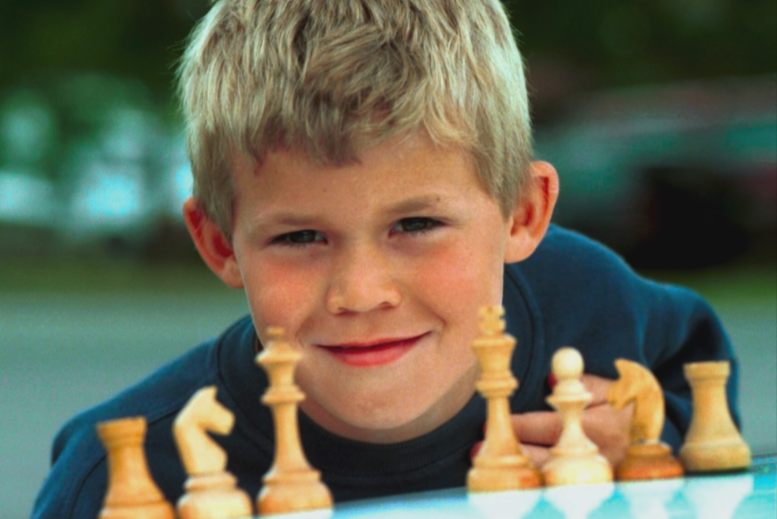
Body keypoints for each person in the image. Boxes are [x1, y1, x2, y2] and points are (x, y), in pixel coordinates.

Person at [32, 1, 739, 517]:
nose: (361, 292)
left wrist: (652, 446)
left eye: (416, 223)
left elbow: (697, 375)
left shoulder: (588, 301)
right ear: (220, 243)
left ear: (523, 213)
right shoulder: (126, 474)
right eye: (300, 238)